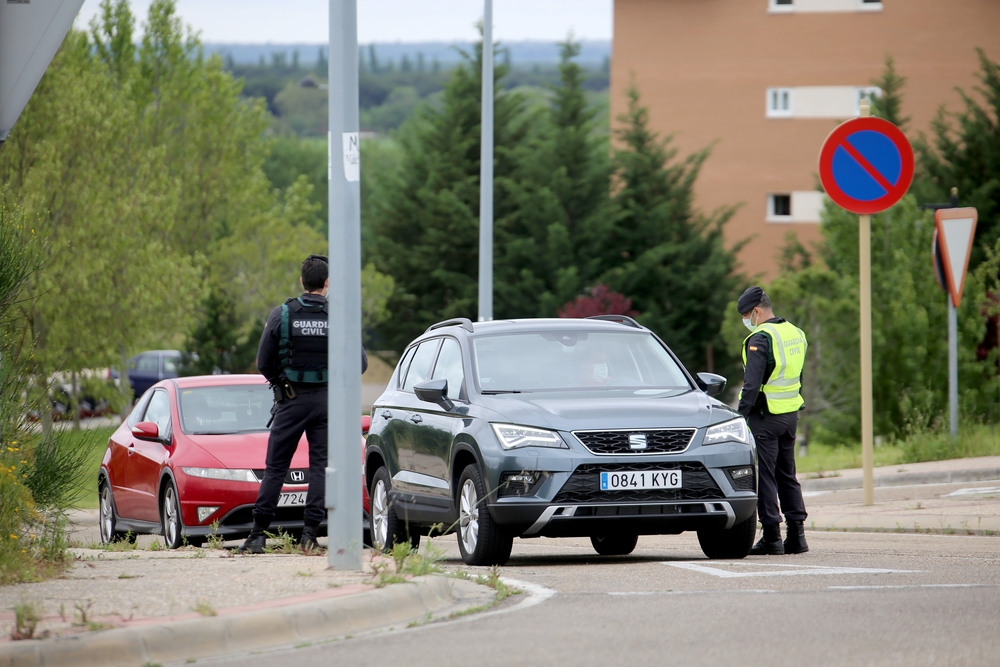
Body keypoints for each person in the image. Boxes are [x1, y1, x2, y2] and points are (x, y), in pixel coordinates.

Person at [240, 255, 368, 554]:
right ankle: (309, 536)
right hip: (325, 403)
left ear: (302, 281)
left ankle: (258, 535)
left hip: (291, 400)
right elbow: (359, 364)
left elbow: (263, 362)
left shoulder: (281, 314)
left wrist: (282, 382)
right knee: (320, 466)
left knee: (275, 468)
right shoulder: (338, 316)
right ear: (327, 283)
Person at [737, 286, 809, 555]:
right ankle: (797, 536)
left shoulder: (761, 337)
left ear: (756, 311)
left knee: (765, 476)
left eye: (746, 315)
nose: (746, 322)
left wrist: (740, 416)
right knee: (787, 475)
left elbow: (751, 385)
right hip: (790, 415)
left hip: (765, 417)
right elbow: (798, 377)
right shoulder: (795, 333)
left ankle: (771, 537)